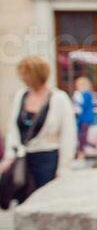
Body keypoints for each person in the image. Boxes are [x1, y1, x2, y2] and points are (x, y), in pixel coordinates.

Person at [2, 57, 77, 208]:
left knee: (46, 203)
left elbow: (68, 135)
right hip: (23, 158)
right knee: (24, 201)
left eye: (26, 74)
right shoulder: (21, 96)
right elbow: (13, 128)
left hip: (47, 160)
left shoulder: (58, 98)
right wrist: (9, 156)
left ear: (36, 74)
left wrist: (64, 167)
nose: (23, 78)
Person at [72, 75, 96, 158]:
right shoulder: (82, 94)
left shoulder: (86, 94)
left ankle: (82, 153)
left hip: (85, 118)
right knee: (81, 136)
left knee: (83, 136)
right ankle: (86, 150)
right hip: (81, 119)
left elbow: (83, 105)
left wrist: (77, 101)